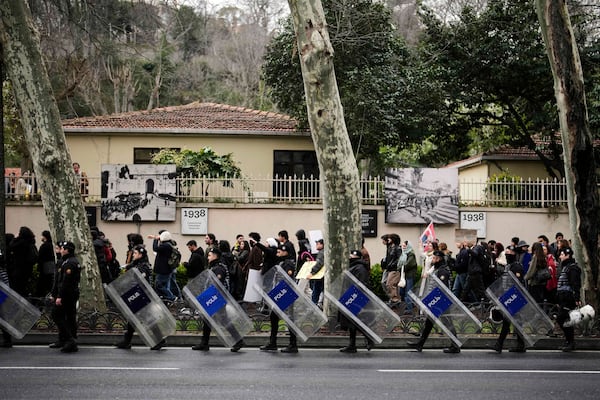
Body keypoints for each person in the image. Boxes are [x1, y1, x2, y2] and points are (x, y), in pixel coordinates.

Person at [407, 250, 461, 353]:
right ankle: (420, 344)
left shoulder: (443, 270)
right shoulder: (437, 269)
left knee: (447, 323)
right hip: (437, 300)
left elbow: (443, 288)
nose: (433, 260)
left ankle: (455, 346)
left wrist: (434, 300)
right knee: (429, 323)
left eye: (434, 258)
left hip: (441, 301)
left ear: (439, 259)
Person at [192, 248, 244, 352]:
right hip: (213, 297)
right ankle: (204, 343)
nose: (208, 257)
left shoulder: (219, 268)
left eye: (209, 255)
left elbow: (217, 283)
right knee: (207, 319)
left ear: (215, 256)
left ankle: (238, 341)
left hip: (217, 298)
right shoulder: (214, 267)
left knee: (224, 319)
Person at [259, 244, 299, 353]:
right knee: (274, 317)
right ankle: (273, 343)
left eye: (279, 251)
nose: (277, 253)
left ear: (285, 252)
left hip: (285, 294)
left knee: (290, 319)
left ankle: (293, 344)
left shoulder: (288, 263)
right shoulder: (282, 262)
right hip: (279, 295)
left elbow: (287, 279)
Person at [115, 245, 156, 350]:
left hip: (142, 295)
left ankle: (159, 340)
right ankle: (127, 341)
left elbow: (141, 281)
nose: (133, 255)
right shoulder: (137, 265)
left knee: (147, 318)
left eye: (135, 253)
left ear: (141, 255)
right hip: (138, 295)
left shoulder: (143, 266)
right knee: (134, 319)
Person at [491, 245, 527, 353]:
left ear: (514, 254)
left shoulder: (517, 266)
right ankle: (519, 345)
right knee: (514, 322)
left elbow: (518, 283)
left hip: (514, 297)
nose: (507, 254)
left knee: (509, 321)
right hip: (508, 297)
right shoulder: (508, 266)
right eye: (506, 252)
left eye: (510, 252)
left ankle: (500, 344)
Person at [49, 241, 81, 353]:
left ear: (67, 250)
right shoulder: (68, 261)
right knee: (67, 316)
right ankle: (65, 339)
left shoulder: (69, 263)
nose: (60, 250)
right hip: (69, 294)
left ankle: (70, 340)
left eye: (62, 248)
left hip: (67, 295)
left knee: (56, 315)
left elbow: (65, 282)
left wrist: (59, 296)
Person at [339, 250, 374, 353]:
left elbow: (361, 284)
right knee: (352, 322)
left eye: (352, 255)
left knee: (356, 322)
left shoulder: (360, 268)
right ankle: (352, 345)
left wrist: (354, 296)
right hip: (350, 297)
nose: (349, 256)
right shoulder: (354, 267)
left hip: (355, 298)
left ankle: (369, 339)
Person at [555, 247, 582, 352]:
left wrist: (576, 297)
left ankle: (570, 342)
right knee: (564, 319)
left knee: (562, 318)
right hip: (563, 298)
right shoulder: (565, 267)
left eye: (562, 254)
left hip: (568, 298)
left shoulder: (572, 268)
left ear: (567, 255)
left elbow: (575, 284)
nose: (560, 256)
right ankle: (568, 341)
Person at [7, 226, 37, 297]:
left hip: (19, 269)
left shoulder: (20, 242)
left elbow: (11, 245)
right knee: (23, 287)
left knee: (17, 288)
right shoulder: (31, 242)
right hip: (28, 269)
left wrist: (15, 238)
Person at [148, 231, 176, 301]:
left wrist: (155, 239)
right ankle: (166, 298)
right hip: (166, 269)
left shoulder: (165, 246)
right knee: (164, 285)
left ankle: (171, 297)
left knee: (158, 285)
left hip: (163, 269)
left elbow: (155, 248)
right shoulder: (168, 244)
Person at [397, 240, 417, 315]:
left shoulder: (411, 254)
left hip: (409, 276)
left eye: (405, 246)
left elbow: (408, 265)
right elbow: (399, 264)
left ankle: (409, 309)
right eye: (402, 246)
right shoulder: (403, 254)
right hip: (403, 275)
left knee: (408, 292)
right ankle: (405, 307)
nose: (403, 247)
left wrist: (401, 267)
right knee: (402, 292)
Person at [383, 233, 402, 304]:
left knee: (390, 284)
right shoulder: (390, 247)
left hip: (394, 269)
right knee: (388, 283)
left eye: (390, 238)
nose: (388, 239)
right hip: (390, 268)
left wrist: (392, 264)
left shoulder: (397, 248)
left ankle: (395, 299)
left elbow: (399, 258)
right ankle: (393, 298)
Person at [36, 230, 56, 297]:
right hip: (52, 266)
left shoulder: (44, 246)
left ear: (44, 237)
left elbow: (40, 257)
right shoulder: (52, 245)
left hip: (45, 267)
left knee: (43, 283)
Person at [306, 238, 325, 307]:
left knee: (316, 291)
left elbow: (319, 263)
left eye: (318, 244)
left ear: (322, 245)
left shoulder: (321, 253)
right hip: (322, 276)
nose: (316, 245)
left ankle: (315, 306)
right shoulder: (325, 252)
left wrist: (312, 272)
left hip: (320, 277)